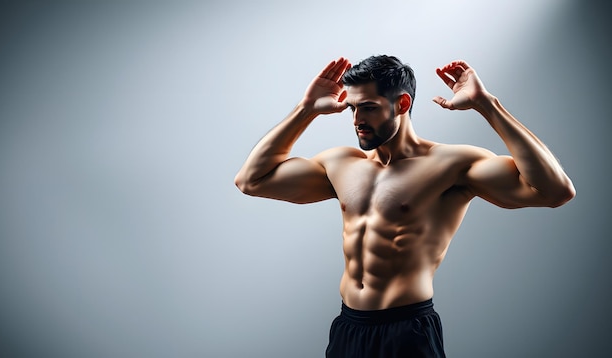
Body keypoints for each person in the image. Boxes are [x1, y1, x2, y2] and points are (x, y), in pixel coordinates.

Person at [234, 55, 575, 357]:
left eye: (368, 107)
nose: (356, 119)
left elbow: (554, 191)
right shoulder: (340, 163)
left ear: (401, 104)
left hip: (406, 332)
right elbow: (251, 181)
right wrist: (304, 110)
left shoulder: (452, 164)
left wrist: (488, 105)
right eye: (352, 108)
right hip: (349, 326)